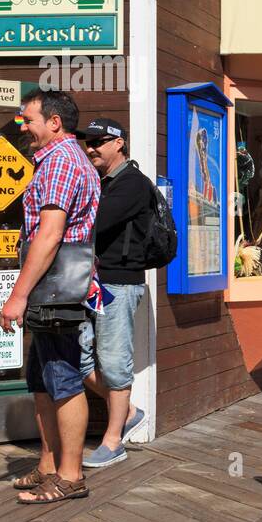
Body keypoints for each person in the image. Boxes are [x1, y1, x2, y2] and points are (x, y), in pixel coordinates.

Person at [0, 89, 100, 504]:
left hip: (56, 288)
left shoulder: (59, 161)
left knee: (63, 378)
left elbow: (50, 233)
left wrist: (17, 295)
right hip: (52, 287)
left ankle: (71, 475)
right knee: (43, 379)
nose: (24, 128)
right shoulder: (62, 160)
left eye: (29, 120)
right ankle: (48, 465)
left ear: (54, 122)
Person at [79, 118, 151, 468]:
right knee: (77, 357)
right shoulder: (102, 182)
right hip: (92, 282)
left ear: (119, 143)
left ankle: (113, 441)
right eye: (87, 142)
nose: (91, 147)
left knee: (113, 361)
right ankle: (130, 411)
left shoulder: (132, 184)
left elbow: (94, 222)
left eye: (99, 141)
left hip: (118, 284)